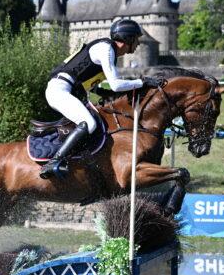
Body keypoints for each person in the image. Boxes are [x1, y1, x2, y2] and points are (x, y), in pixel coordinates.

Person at [39, 19, 163, 179]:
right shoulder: (106, 49)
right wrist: (142, 82)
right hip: (60, 90)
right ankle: (54, 162)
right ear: (128, 39)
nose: (138, 44)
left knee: (99, 123)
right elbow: (116, 85)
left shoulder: (108, 51)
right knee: (88, 124)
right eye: (137, 39)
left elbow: (87, 79)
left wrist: (100, 92)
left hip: (66, 89)